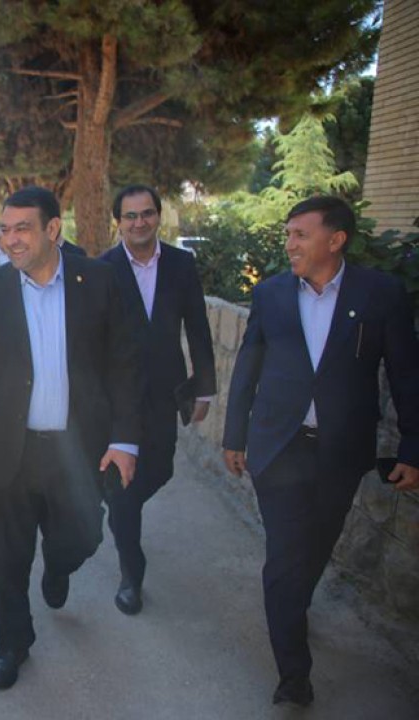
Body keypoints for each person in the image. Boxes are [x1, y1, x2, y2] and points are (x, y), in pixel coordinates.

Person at [222, 196, 419, 708]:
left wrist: (413, 444)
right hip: (279, 448)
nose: (290, 245)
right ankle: (294, 674)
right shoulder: (271, 294)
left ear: (336, 240)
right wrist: (234, 435)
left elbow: (406, 374)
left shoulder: (380, 294)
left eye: (300, 235)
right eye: (288, 234)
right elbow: (247, 368)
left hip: (340, 452)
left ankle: (293, 607)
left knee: (316, 549)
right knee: (284, 559)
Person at [0, 186, 141, 690]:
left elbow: (124, 364)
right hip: (12, 448)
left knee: (83, 536)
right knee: (6, 557)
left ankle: (59, 566)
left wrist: (125, 439)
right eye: (5, 229)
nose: (11, 239)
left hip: (78, 449)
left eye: (23, 228)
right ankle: (12, 644)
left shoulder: (99, 281)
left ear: (53, 229)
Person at [99, 184, 216, 615]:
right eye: (130, 216)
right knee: (123, 489)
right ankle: (132, 574)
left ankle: (117, 507)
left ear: (158, 216)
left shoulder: (182, 264)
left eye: (146, 213)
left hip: (166, 391)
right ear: (119, 222)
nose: (139, 222)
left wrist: (204, 386)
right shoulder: (103, 268)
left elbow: (198, 326)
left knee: (161, 469)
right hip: (117, 397)